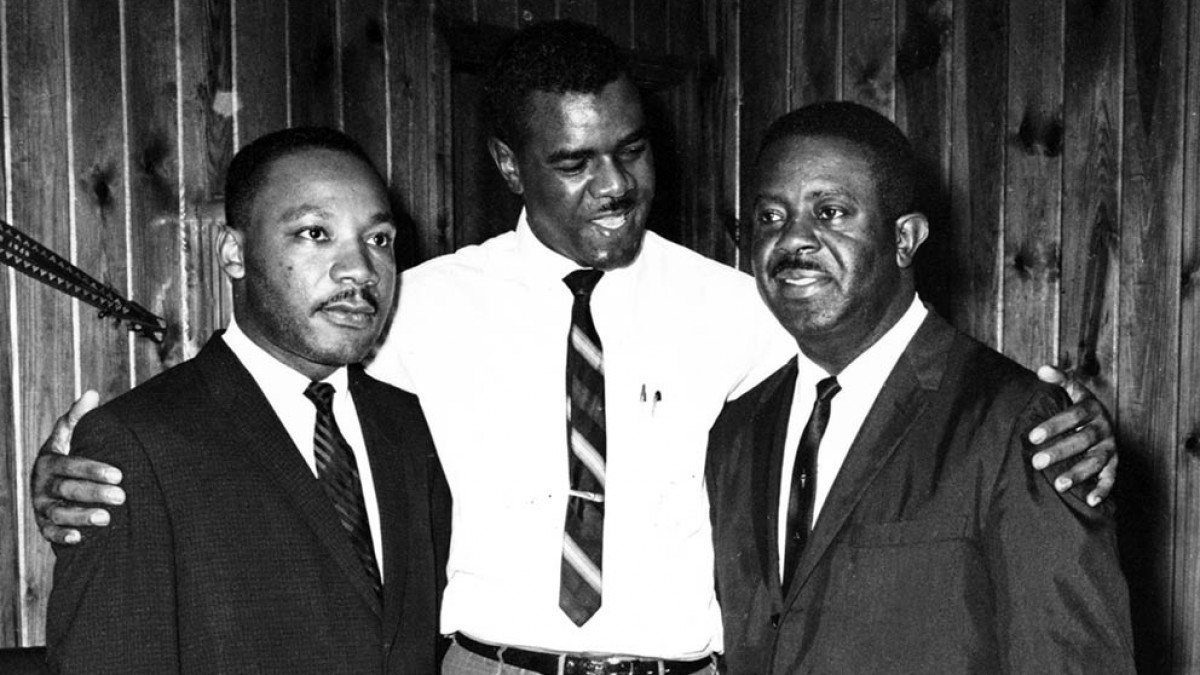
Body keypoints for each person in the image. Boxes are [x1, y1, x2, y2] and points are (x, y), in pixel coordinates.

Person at [34, 21, 1116, 674]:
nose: (615, 187)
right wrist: (79, 478)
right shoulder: (410, 305)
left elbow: (889, 400)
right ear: (510, 164)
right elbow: (277, 411)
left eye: (633, 153)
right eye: (575, 162)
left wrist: (1076, 432)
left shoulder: (747, 304)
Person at [707, 102, 1135, 674]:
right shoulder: (738, 428)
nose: (794, 240)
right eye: (769, 217)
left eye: (830, 212)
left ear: (905, 238)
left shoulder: (1022, 422)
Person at [45, 128, 447, 674]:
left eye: (378, 239)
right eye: (315, 233)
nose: (359, 269)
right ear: (233, 252)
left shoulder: (412, 426)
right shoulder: (137, 443)